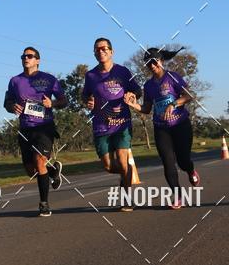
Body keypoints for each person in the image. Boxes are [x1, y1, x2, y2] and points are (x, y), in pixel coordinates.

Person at [125, 47, 199, 209]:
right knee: (168, 162)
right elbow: (147, 109)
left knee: (183, 160)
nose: (151, 65)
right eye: (148, 63)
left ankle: (190, 170)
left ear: (161, 61)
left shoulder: (173, 77)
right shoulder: (149, 86)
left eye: (154, 61)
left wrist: (174, 104)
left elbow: (188, 96)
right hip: (161, 128)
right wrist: (134, 105)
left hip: (181, 125)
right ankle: (178, 197)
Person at [4, 47, 67, 217]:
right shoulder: (15, 81)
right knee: (31, 170)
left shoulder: (49, 79)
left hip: (44, 126)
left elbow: (64, 101)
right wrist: (12, 107)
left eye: (30, 56)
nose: (26, 58)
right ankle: (53, 171)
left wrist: (51, 104)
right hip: (25, 128)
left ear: (38, 60)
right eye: (23, 56)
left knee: (39, 162)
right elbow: (7, 102)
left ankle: (44, 204)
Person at [81, 38, 142, 211]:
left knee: (122, 161)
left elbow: (137, 90)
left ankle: (127, 198)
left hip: (122, 123)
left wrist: (132, 94)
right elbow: (85, 95)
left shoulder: (123, 71)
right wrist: (88, 101)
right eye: (97, 49)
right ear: (94, 53)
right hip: (101, 125)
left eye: (104, 48)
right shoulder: (90, 75)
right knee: (108, 166)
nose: (101, 51)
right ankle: (126, 172)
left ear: (111, 51)